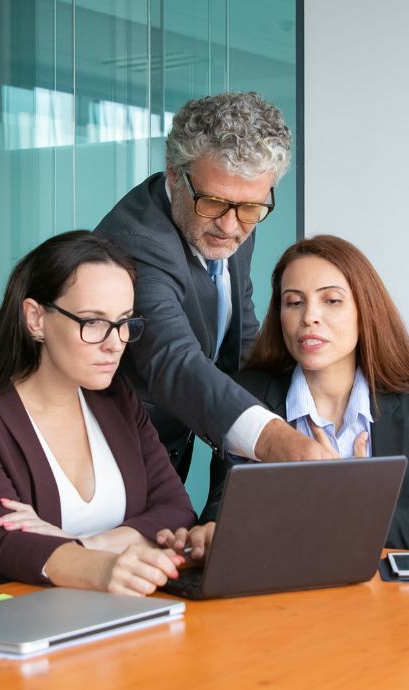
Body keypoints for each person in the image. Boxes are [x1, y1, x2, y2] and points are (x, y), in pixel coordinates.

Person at [160, 235, 409, 557]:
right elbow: (220, 515)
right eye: (294, 302)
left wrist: (347, 500)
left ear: (364, 311)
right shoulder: (248, 397)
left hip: (382, 599)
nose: (309, 317)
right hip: (281, 595)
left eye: (331, 300)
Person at [0, 230, 196, 596]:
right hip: (9, 625)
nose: (116, 343)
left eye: (125, 321)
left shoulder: (117, 400)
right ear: (35, 318)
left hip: (117, 618)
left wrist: (83, 545)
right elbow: (3, 541)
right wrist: (108, 566)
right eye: (94, 322)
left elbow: (176, 510)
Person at [95, 91, 333, 481]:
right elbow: (172, 358)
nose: (229, 226)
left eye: (251, 209)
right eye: (212, 203)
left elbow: (241, 335)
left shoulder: (234, 215)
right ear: (175, 174)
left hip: (169, 452)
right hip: (109, 461)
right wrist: (278, 440)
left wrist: (313, 401)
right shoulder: (135, 245)